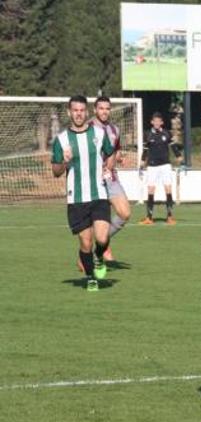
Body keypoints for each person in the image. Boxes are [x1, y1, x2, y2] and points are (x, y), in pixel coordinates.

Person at [51, 95, 116, 292]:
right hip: (76, 198)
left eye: (82, 110)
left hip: (99, 194)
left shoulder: (98, 133)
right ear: (69, 112)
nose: (78, 114)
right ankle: (90, 278)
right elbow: (56, 172)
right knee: (85, 242)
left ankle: (99, 259)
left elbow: (110, 152)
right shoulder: (61, 140)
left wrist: (108, 168)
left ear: (86, 112)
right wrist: (64, 161)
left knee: (102, 238)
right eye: (75, 110)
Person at [90, 96, 129, 262]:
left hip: (111, 177)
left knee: (124, 213)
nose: (104, 111)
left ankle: (103, 242)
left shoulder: (114, 130)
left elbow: (116, 150)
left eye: (107, 108)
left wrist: (120, 157)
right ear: (95, 110)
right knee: (98, 220)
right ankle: (99, 248)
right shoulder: (88, 128)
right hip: (93, 180)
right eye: (101, 108)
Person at [139, 111, 181, 225]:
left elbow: (173, 147)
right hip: (152, 166)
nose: (157, 123)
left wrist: (178, 156)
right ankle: (149, 217)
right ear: (152, 122)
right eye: (155, 121)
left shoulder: (167, 133)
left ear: (161, 122)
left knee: (168, 189)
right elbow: (145, 150)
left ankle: (170, 216)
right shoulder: (147, 134)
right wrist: (143, 161)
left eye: (159, 121)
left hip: (165, 165)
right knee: (151, 189)